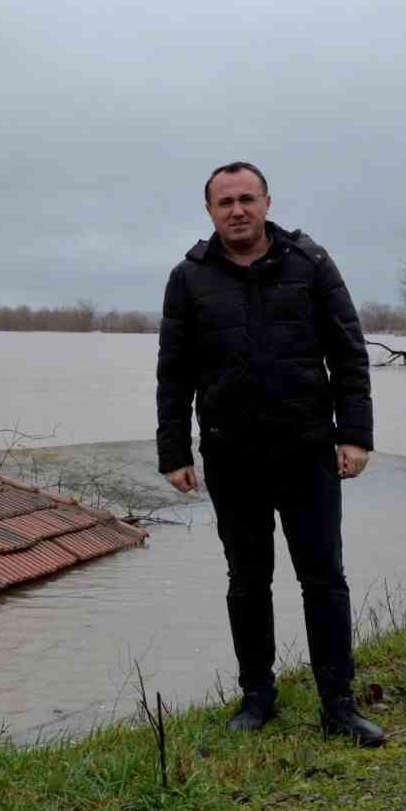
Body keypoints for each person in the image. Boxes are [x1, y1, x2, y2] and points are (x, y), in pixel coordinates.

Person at [156, 160, 385, 746]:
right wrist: (174, 451)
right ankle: (257, 699)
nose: (237, 210)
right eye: (225, 202)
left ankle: (339, 704)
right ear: (210, 211)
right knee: (247, 581)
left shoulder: (310, 263)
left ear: (267, 203)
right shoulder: (189, 277)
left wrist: (354, 435)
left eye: (247, 199)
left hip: (307, 450)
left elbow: (349, 352)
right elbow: (174, 373)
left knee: (324, 579)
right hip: (232, 456)